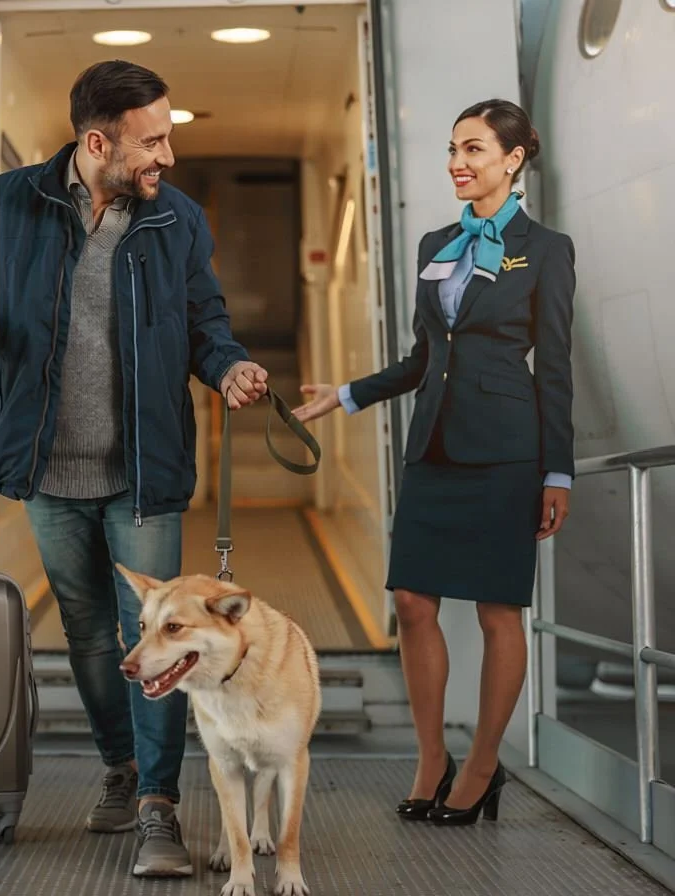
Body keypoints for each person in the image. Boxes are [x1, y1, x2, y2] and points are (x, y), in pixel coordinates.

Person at [0, 60, 268, 877]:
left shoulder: (176, 219)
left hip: (143, 469)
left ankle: (157, 809)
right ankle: (120, 767)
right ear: (98, 142)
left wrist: (231, 367)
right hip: (47, 467)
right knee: (86, 633)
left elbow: (206, 322)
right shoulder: (13, 201)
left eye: (168, 139)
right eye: (152, 142)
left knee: (163, 640)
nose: (167, 157)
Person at [294, 98, 575, 826]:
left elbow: (556, 370)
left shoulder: (545, 249)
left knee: (497, 611)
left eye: (475, 149)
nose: (458, 161)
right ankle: (431, 756)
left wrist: (558, 471)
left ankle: (482, 764)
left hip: (507, 451)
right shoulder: (434, 244)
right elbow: (427, 359)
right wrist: (348, 394)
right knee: (414, 603)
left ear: (512, 161)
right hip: (434, 448)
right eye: (454, 147)